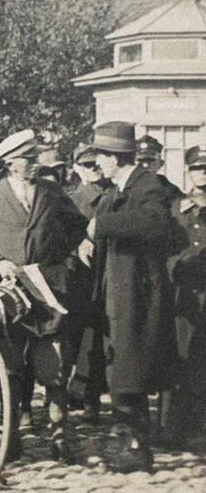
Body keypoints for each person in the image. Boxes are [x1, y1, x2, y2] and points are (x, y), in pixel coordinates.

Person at [0, 130, 87, 463]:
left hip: (48, 290)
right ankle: (13, 432)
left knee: (54, 364)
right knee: (9, 364)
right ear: (10, 163)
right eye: (29, 159)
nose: (36, 164)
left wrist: (69, 262)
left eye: (36, 158)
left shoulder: (52, 193)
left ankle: (60, 433)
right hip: (7, 293)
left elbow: (77, 228)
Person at [81, 121, 179, 473]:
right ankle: (129, 440)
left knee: (129, 371)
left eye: (101, 158)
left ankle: (136, 449)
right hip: (117, 294)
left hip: (137, 297)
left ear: (114, 157)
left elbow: (154, 222)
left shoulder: (147, 185)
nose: (97, 166)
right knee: (119, 368)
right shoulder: (118, 189)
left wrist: (102, 226)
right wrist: (89, 239)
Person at [161, 146, 206, 446]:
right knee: (179, 358)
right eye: (198, 168)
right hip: (185, 295)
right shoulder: (176, 208)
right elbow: (165, 249)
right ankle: (171, 429)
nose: (203, 173)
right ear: (188, 171)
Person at [66, 143, 109, 422]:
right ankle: (73, 394)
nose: (93, 169)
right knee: (76, 339)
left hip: (107, 276)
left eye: (96, 164)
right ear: (76, 168)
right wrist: (77, 244)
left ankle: (91, 398)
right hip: (79, 278)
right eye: (86, 165)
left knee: (99, 339)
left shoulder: (114, 195)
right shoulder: (69, 201)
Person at [136, 135, 184, 208]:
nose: (145, 165)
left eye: (150, 160)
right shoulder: (120, 188)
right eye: (141, 161)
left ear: (160, 164)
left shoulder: (171, 191)